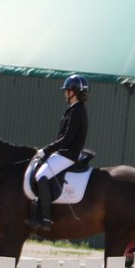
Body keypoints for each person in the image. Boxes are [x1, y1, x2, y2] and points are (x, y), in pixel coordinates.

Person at [30, 73, 89, 229]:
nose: (65, 93)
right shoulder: (73, 109)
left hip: (68, 155)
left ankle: (46, 218)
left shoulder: (77, 111)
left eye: (67, 90)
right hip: (64, 152)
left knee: (41, 176)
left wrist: (46, 150)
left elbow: (66, 139)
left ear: (74, 91)